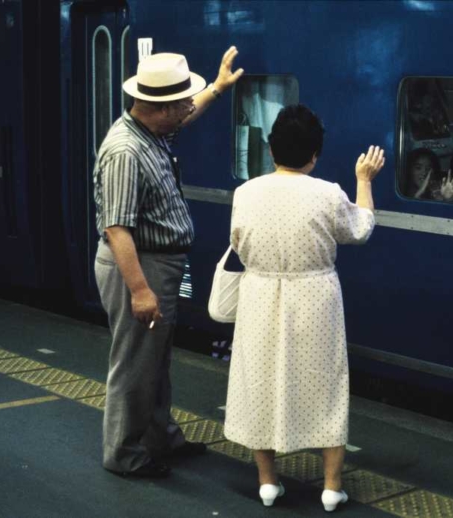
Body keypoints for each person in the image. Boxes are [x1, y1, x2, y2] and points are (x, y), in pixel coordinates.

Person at [223, 105, 384, 511]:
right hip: (315, 298)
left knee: (261, 380)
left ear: (271, 149)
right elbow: (361, 229)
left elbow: (240, 245)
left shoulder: (246, 193)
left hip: (260, 295)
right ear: (314, 154)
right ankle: (331, 487)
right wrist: (364, 180)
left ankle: (267, 482)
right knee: (325, 385)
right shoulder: (327, 193)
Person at [93, 48, 243, 478]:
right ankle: (124, 455)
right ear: (156, 107)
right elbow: (116, 228)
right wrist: (140, 290)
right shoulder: (125, 151)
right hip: (139, 267)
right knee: (136, 364)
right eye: (179, 107)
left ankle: (161, 438)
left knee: (155, 362)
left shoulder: (152, 131)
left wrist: (216, 87)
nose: (186, 112)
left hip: (159, 266)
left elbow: (188, 113)